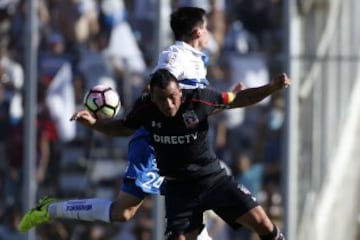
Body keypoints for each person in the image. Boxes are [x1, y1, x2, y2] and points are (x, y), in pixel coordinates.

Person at [18, 6, 218, 240]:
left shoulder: (197, 60)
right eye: (206, 29)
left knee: (190, 214)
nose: (208, 34)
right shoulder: (178, 56)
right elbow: (157, 86)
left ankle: (50, 208)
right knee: (123, 212)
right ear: (197, 31)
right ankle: (50, 208)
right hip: (156, 145)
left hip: (180, 147)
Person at [71, 69, 290, 240]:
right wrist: (94, 125)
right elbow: (123, 128)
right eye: (162, 99)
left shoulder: (199, 99)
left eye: (173, 97)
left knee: (263, 223)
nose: (169, 104)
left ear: (179, 91)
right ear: (152, 97)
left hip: (212, 179)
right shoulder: (144, 109)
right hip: (179, 189)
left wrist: (270, 88)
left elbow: (237, 99)